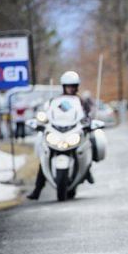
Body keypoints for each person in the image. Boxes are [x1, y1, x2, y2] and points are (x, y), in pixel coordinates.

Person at [27, 71, 93, 200]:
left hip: (74, 131)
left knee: (92, 141)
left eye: (73, 86)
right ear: (63, 86)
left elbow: (88, 115)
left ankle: (88, 170)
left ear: (77, 87)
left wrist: (88, 122)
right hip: (57, 132)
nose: (71, 88)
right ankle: (37, 189)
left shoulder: (81, 101)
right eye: (68, 86)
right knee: (44, 155)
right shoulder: (54, 101)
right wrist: (41, 121)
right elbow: (46, 114)